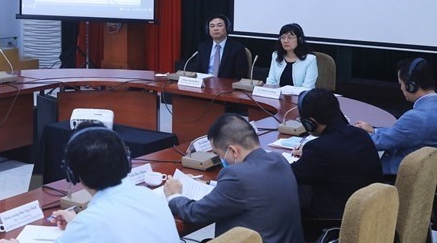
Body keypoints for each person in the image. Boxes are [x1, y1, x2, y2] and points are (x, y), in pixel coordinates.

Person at [0, 124, 180, 243]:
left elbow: (96, 226)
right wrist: (79, 224)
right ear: (127, 161)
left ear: (72, 173)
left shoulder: (88, 224)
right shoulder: (151, 197)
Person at [163, 114, 304, 243]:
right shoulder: (279, 159)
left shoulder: (236, 176)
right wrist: (210, 184)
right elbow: (254, 189)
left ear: (233, 151)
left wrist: (174, 196)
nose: (220, 159)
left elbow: (195, 213)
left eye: (219, 154)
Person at [291, 88, 383, 220]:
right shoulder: (360, 134)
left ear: (310, 123)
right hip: (373, 213)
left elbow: (289, 175)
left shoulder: (318, 149)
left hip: (338, 223)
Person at [355, 58, 437, 175]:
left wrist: (353, 133)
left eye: (401, 84)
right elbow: (405, 133)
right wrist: (375, 130)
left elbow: (377, 143)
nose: (401, 88)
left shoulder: (416, 118)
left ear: (411, 86)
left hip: (394, 177)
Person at [191, 14, 248, 79]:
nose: (215, 29)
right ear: (208, 30)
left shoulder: (237, 49)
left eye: (219, 25)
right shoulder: (203, 47)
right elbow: (197, 70)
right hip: (205, 84)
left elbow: (240, 76)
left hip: (226, 86)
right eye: (212, 26)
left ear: (227, 28)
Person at [266, 23, 317, 88]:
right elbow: (271, 81)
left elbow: (307, 88)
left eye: (290, 37)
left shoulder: (310, 59)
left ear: (299, 39)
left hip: (300, 97)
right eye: (283, 37)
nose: (285, 41)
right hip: (278, 96)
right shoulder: (276, 55)